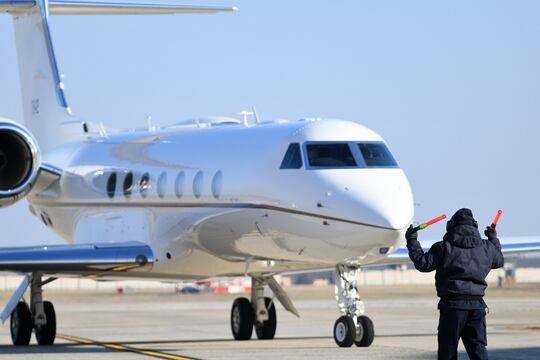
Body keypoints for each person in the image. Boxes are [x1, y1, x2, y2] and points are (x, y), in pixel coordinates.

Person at [406, 208, 504, 360]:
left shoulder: (442, 247)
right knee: (478, 349)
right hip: (477, 306)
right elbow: (499, 260)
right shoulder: (486, 247)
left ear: (451, 226)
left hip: (453, 307)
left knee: (448, 350)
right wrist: (493, 239)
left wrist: (412, 241)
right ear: (475, 226)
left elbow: (423, 264)